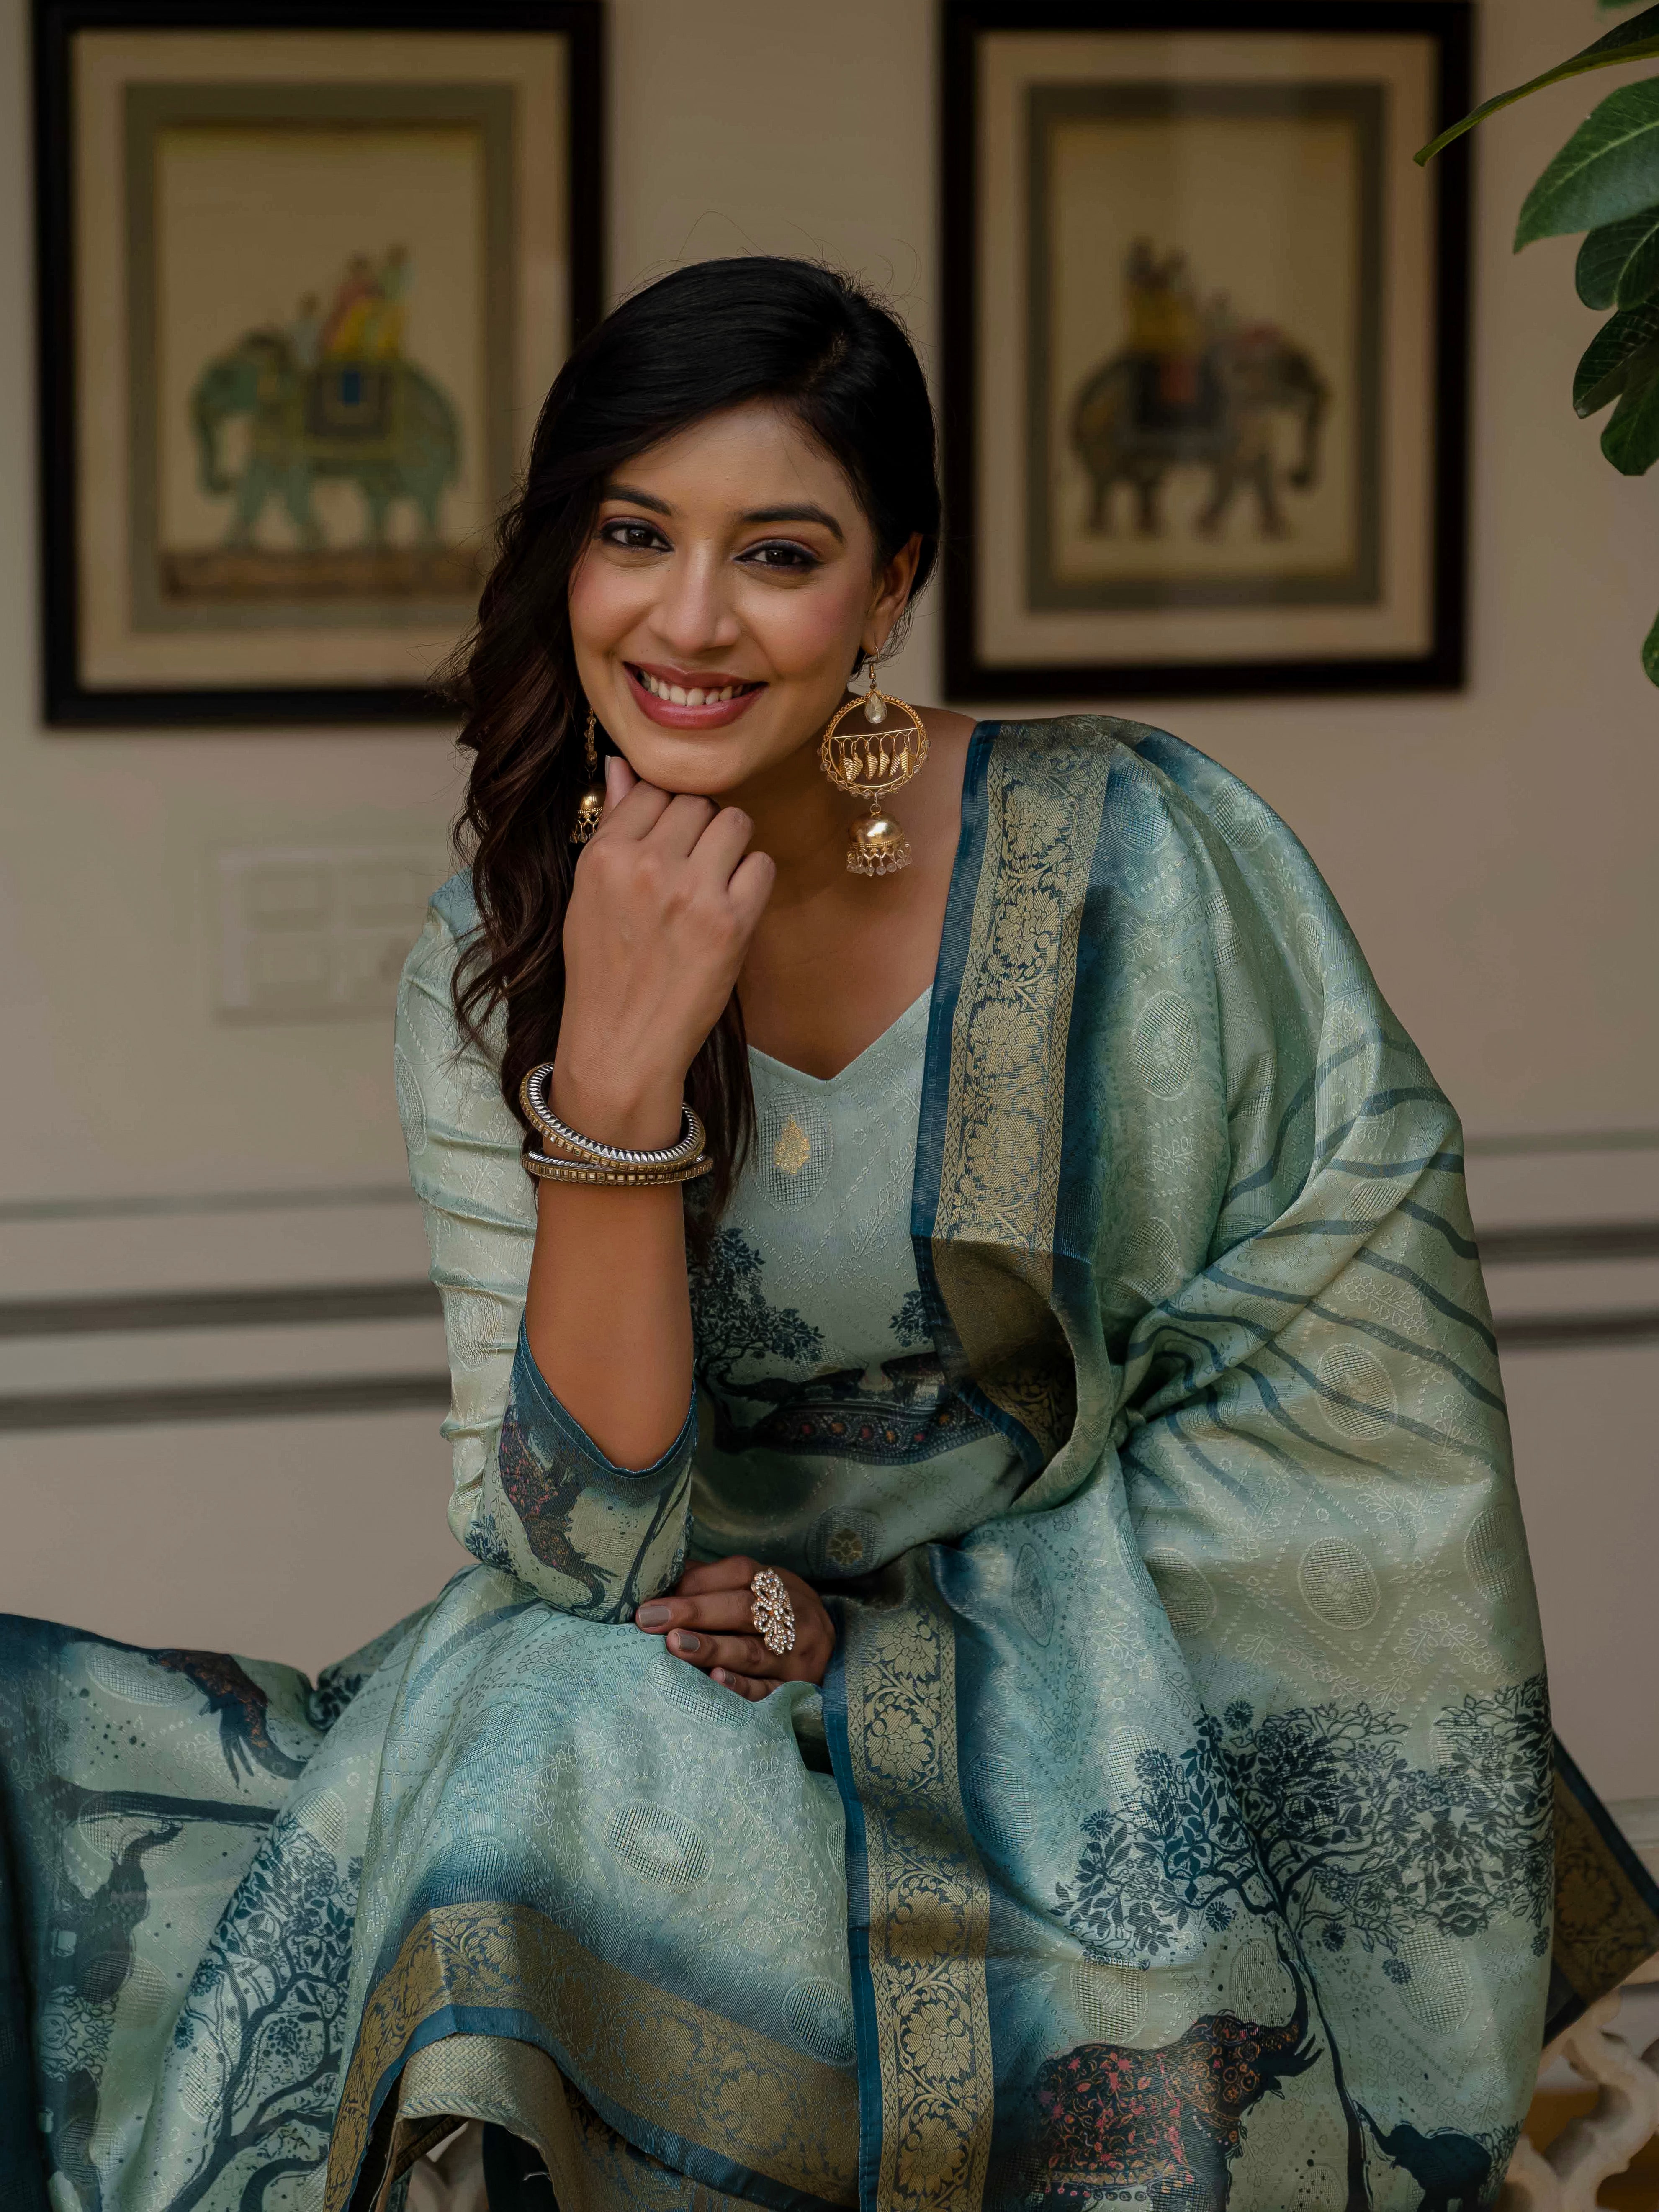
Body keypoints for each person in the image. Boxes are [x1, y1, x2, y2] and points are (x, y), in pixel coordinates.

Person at [0, 256, 1652, 2212]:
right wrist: (610, 1087)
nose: (685, 620)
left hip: (1113, 1716)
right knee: (492, 1734)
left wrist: (875, 1635)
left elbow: (1337, 1405)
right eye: (632, 535)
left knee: (554, 1760)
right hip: (682, 1689)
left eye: (775, 554)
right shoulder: (498, 954)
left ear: (886, 588)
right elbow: (565, 1539)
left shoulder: (1144, 863)